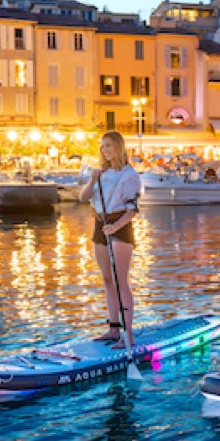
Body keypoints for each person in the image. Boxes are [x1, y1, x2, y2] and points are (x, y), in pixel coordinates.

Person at [79, 131, 142, 348]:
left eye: (109, 146)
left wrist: (114, 227)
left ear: (118, 148)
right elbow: (82, 197)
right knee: (107, 279)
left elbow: (132, 210)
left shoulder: (129, 175)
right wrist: (92, 180)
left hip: (119, 227)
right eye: (103, 146)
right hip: (100, 224)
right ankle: (113, 329)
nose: (105, 150)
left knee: (120, 280)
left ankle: (129, 334)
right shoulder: (100, 173)